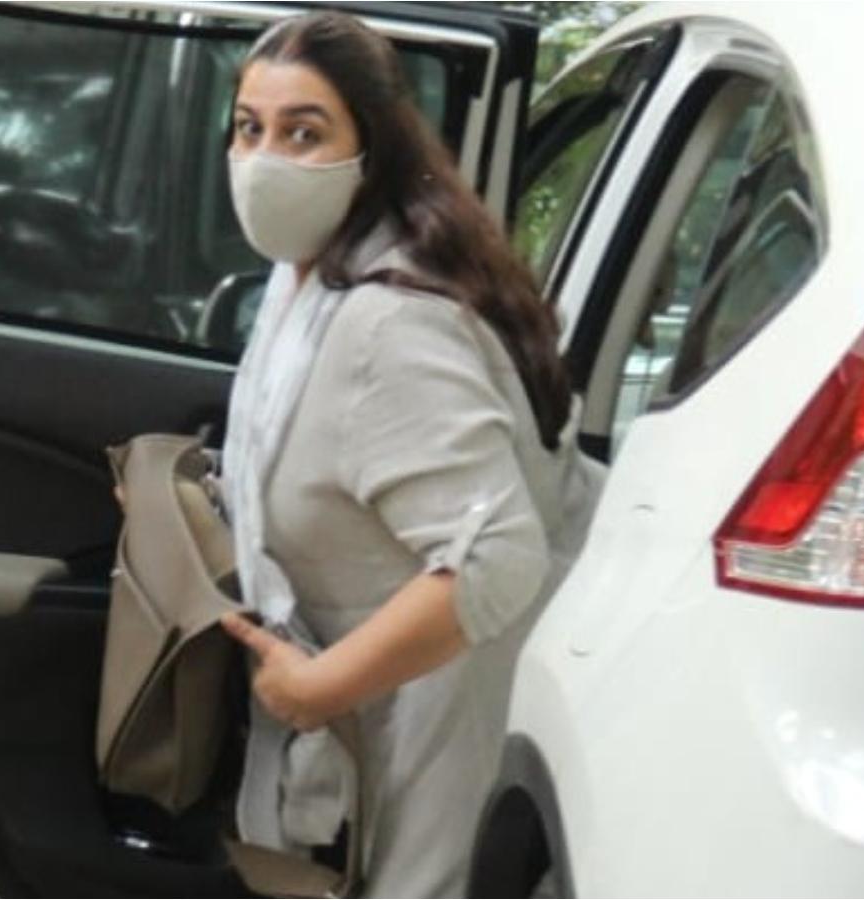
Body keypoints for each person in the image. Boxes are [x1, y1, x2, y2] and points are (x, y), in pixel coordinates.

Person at [214, 12, 601, 897]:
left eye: (304, 133)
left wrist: (319, 688)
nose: (265, 159)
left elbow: (496, 555)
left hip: (433, 731)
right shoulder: (310, 280)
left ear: (372, 149)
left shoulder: (388, 323)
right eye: (249, 128)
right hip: (386, 733)